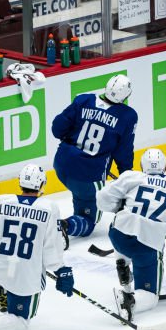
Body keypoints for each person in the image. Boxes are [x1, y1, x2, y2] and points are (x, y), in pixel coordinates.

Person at [0, 164, 75, 330]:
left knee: (1, 258)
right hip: (25, 276)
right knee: (22, 321)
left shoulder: (2, 201)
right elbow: (52, 246)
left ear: (20, 182)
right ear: (42, 184)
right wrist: (61, 270)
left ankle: (2, 288)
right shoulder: (49, 208)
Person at [98, 148, 166, 322]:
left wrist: (118, 206)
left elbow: (102, 199)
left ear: (142, 166)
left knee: (122, 228)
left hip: (119, 233)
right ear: (164, 168)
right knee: (150, 297)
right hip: (148, 243)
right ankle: (130, 300)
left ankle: (122, 262)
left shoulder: (130, 177)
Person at [51, 73, 137, 239]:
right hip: (88, 176)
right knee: (88, 221)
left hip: (62, 165)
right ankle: (63, 226)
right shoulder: (127, 116)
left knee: (80, 194)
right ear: (125, 96)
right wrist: (127, 177)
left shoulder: (83, 99)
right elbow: (123, 151)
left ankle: (76, 211)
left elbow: (58, 128)